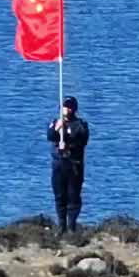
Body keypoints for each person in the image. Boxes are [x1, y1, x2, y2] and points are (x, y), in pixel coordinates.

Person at [46, 96, 90, 233]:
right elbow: (50, 136)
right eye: (65, 106)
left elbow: (83, 139)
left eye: (70, 106)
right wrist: (57, 129)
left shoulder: (80, 125)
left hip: (74, 166)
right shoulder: (55, 122)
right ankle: (61, 225)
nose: (67, 109)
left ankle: (71, 226)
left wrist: (68, 141)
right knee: (60, 196)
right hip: (59, 165)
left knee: (73, 196)